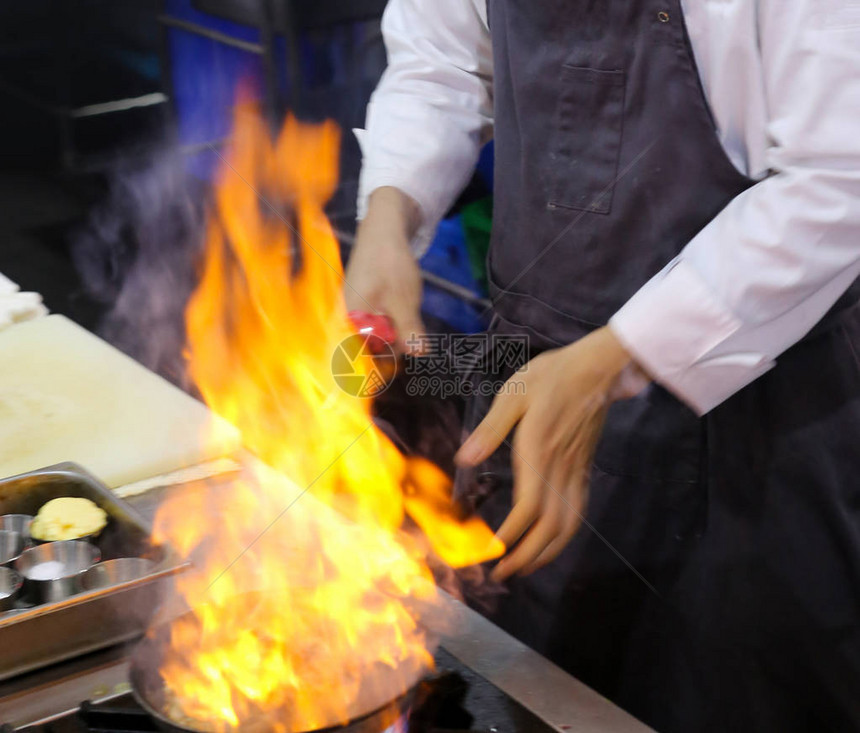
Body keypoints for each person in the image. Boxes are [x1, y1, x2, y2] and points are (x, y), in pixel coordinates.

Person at [345, 2, 860, 731]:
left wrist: (618, 354)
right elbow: (442, 62)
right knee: (541, 697)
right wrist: (387, 216)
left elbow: (840, 177)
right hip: (527, 400)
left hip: (756, 433)